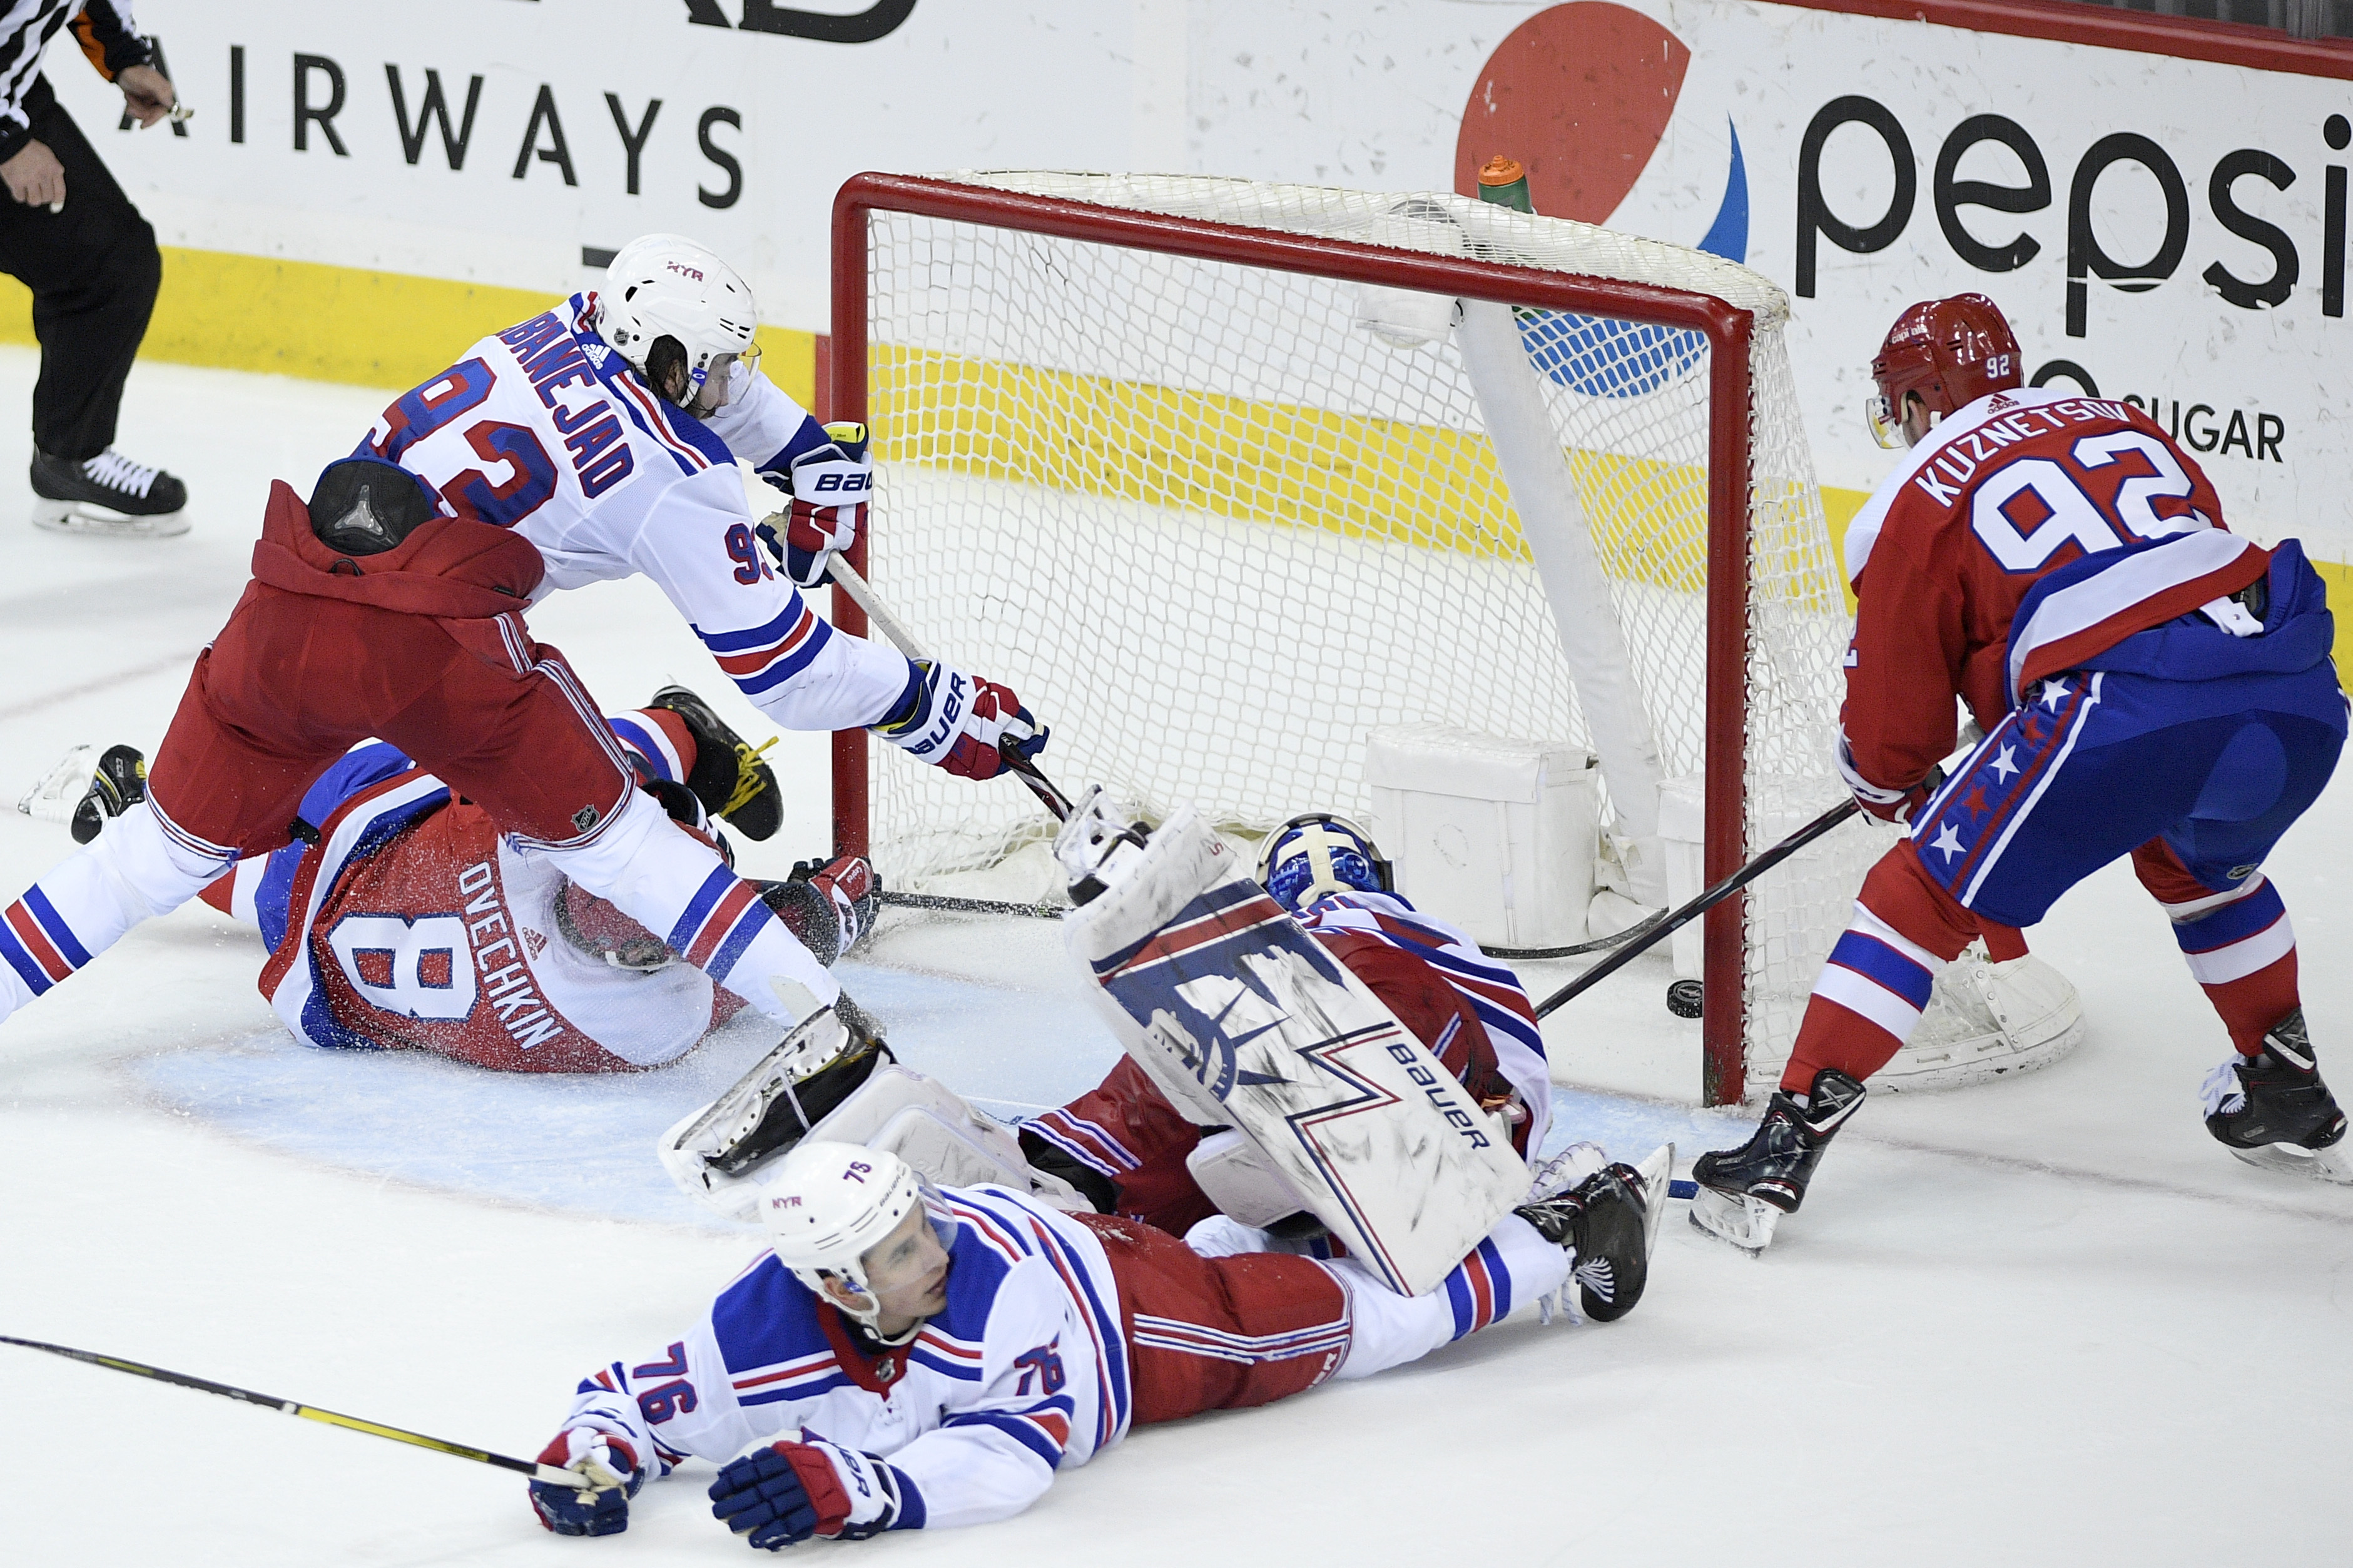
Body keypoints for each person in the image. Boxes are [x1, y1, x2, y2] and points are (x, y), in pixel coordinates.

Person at [0, 233, 1041, 1050]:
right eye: (719, 370)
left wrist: (801, 449)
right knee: (622, 846)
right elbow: (790, 675)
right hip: (438, 651)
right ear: (673, 356)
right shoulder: (678, 478)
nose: (731, 390)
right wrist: (931, 701)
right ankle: (838, 1037)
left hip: (290, 599)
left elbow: (688, 381)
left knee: (150, 858)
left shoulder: (559, 325)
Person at [1690, 293, 2349, 1251]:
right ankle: (2286, 1083)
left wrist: (1890, 784)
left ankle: (1781, 1149)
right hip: (2294, 686)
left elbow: (1891, 747)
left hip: (2126, 706)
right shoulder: (2122, 421)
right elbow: (2167, 577)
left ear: (1917, 400)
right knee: (2201, 864)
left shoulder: (1910, 500)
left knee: (1913, 891)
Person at [526, 1136, 1659, 1542]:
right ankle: (1259, 1231)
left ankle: (1560, 1240)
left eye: (922, 1226)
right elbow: (635, 1397)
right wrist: (589, 1455)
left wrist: (863, 1486)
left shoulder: (994, 1291)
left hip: (1125, 1317)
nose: (933, 1254)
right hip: (1099, 1250)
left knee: (1349, 1327)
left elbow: (1024, 1448)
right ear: (831, 1281)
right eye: (899, 1253)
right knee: (1265, 1269)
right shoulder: (753, 1332)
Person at [39, 688, 878, 1073]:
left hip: (357, 851)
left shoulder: (517, 842)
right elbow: (761, 955)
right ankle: (146, 816)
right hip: (332, 988)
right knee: (272, 891)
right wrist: (830, 905)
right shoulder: (648, 1025)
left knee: (558, 749)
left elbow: (540, 758)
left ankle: (676, 733)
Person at [1019, 812, 1552, 1234]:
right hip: (1478, 1110)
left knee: (1188, 1044)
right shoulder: (1448, 941)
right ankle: (1304, 1162)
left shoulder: (1312, 929)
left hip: (1347, 1033)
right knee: (1218, 1076)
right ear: (1378, 877)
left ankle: (1069, 1171)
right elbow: (1527, 1073)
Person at [0, 2, 186, 535]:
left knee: (111, 263)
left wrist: (123, 56)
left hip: (13, 95)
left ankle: (72, 458)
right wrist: (8, 143)